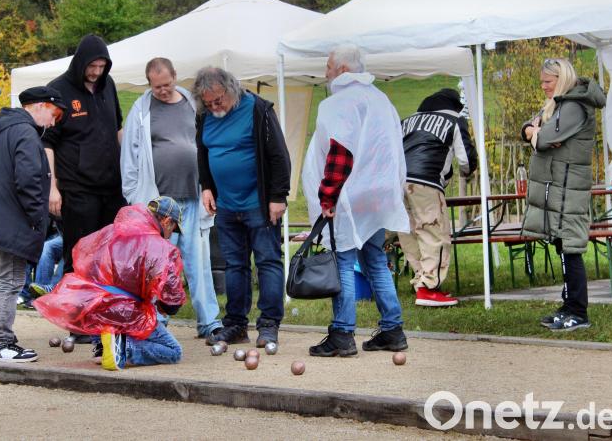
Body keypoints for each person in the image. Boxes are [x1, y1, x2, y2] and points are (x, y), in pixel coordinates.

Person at [301, 45, 409, 356]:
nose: (325, 73)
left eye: (329, 67)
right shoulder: (380, 99)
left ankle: (343, 333)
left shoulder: (341, 103)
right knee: (374, 259)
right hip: (375, 194)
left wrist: (328, 195)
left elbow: (340, 151)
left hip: (348, 194)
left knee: (344, 262)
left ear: (344, 71)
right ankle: (392, 329)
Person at [121, 57, 222, 339]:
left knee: (198, 261)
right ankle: (155, 322)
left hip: (192, 197)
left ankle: (209, 321)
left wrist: (210, 187)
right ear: (149, 84)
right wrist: (133, 196)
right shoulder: (141, 110)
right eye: (157, 87)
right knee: (158, 266)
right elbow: (129, 155)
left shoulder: (192, 103)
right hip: (159, 205)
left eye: (166, 84)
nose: (163, 91)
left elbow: (206, 144)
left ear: (175, 77)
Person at [192, 67, 291, 347]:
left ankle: (269, 325)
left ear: (232, 89)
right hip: (226, 204)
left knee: (267, 262)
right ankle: (235, 324)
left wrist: (277, 196)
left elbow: (279, 156)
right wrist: (207, 186)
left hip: (258, 203)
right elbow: (203, 151)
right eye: (208, 103)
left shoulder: (258, 110)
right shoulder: (204, 117)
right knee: (235, 265)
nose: (215, 107)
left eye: (219, 100)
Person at [0, 86, 66, 362]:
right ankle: (1, 343)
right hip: (9, 221)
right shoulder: (24, 132)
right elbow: (28, 180)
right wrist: (38, 219)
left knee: (0, 280)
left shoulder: (6, 129)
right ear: (39, 106)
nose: (54, 121)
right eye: (54, 113)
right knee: (9, 281)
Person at [33, 196, 188, 371]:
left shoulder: (111, 231)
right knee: (173, 351)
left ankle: (102, 344)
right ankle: (124, 347)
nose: (171, 236)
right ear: (167, 221)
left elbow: (87, 263)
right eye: (173, 230)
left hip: (94, 304)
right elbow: (172, 301)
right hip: (125, 311)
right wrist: (164, 305)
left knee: (112, 306)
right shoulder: (162, 248)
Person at [521, 57, 606, 331]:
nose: (544, 87)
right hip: (559, 188)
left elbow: (544, 140)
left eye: (548, 81)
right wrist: (533, 131)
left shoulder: (574, 107)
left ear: (563, 78)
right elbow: (530, 128)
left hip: (569, 188)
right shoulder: (559, 104)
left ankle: (578, 311)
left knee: (570, 248)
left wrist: (538, 134)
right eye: (542, 82)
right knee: (562, 246)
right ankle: (568, 304)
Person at [44, 34, 125, 278]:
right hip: (77, 189)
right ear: (80, 62)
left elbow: (118, 128)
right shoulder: (58, 90)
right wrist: (52, 188)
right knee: (79, 256)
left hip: (111, 187)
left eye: (102, 67)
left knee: (108, 256)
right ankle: (74, 313)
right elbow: (46, 143)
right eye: (92, 66)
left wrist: (131, 167)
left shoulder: (108, 84)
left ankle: (99, 311)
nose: (96, 72)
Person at [398, 89, 478, 307]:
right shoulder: (455, 120)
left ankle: (420, 280)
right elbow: (466, 160)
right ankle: (430, 288)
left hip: (396, 181)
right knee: (435, 234)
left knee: (410, 233)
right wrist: (463, 172)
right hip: (426, 180)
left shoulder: (408, 120)